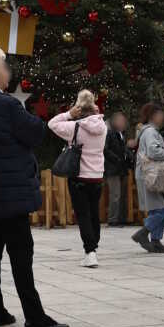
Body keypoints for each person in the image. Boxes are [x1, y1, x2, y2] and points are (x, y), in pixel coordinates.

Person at [0, 46, 68, 327]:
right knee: (21, 254)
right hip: (10, 193)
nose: (8, 72)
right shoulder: (7, 105)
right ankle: (34, 317)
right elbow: (36, 132)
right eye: (5, 67)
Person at [47, 90, 107, 267]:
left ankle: (90, 252)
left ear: (79, 107)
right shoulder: (103, 126)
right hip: (97, 176)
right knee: (94, 213)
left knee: (83, 214)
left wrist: (68, 114)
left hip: (79, 176)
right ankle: (93, 247)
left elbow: (51, 124)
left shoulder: (75, 127)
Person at [133, 103, 164, 253]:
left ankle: (156, 241)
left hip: (147, 174)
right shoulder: (150, 132)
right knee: (163, 208)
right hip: (151, 175)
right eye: (159, 115)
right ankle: (143, 233)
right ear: (152, 116)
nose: (162, 118)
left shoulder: (147, 131)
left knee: (155, 209)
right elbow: (153, 151)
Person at [104, 112, 131, 227]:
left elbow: (124, 150)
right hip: (112, 168)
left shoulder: (121, 134)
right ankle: (113, 219)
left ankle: (122, 218)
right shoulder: (109, 133)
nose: (122, 123)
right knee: (115, 194)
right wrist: (116, 159)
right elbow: (105, 149)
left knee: (123, 194)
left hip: (122, 168)